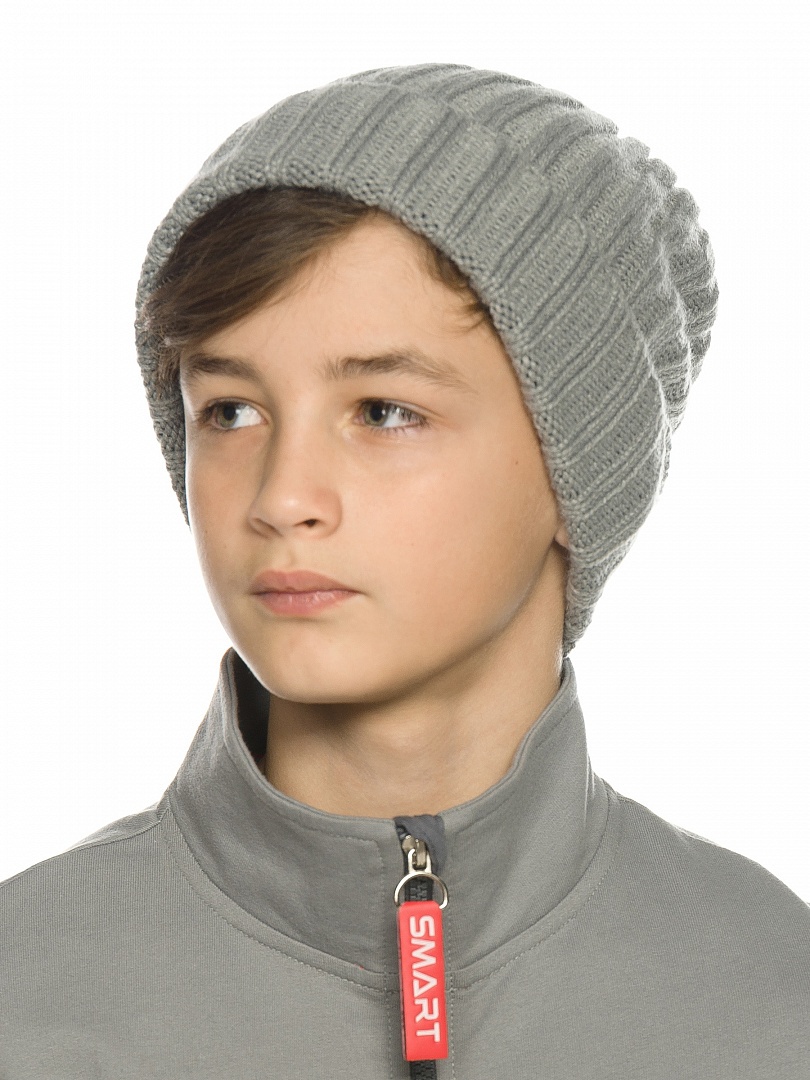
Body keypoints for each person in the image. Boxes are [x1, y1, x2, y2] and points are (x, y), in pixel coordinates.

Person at [1, 62, 807, 1079]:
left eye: (385, 412)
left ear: (580, 471)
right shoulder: (27, 997)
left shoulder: (772, 998)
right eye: (231, 411)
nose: (283, 496)